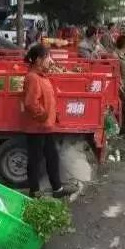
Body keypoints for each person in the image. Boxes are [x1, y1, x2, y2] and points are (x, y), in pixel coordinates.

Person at [23, 44, 76, 198]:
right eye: (47, 57)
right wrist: (44, 116)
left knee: (52, 158)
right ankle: (34, 191)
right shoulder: (32, 77)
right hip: (37, 127)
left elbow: (48, 100)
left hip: (46, 127)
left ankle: (57, 189)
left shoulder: (42, 77)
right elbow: (31, 103)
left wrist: (53, 115)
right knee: (35, 160)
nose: (50, 61)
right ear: (39, 60)